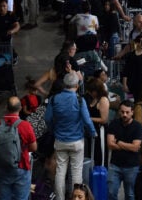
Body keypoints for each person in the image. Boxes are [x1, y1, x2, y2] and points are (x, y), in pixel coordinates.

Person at [45, 72, 97, 200]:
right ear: (77, 85)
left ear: (64, 84)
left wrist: (53, 130)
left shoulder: (54, 99)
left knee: (60, 172)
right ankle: (77, 198)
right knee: (76, 173)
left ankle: (60, 198)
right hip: (77, 142)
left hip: (60, 140)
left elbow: (47, 118)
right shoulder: (79, 100)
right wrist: (92, 132)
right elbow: (86, 119)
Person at [0, 96, 37, 200]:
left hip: (1, 167)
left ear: (6, 108)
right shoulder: (25, 126)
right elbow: (34, 147)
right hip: (21, 167)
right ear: (20, 108)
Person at [106, 100, 142, 200]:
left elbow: (135, 147)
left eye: (127, 112)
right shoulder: (114, 124)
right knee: (111, 192)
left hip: (131, 166)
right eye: (122, 112)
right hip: (115, 165)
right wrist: (129, 147)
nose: (124, 114)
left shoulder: (138, 127)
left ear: (132, 112)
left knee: (130, 194)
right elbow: (110, 144)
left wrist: (118, 142)